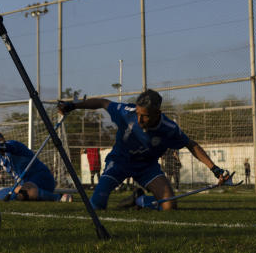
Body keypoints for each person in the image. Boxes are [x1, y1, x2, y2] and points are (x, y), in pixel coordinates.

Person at [56, 89, 230, 211]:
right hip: (119, 161)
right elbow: (103, 102)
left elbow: (191, 145)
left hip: (147, 167)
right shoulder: (126, 112)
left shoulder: (169, 128)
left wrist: (215, 169)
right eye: (138, 114)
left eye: (144, 115)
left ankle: (138, 200)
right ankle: (124, 197)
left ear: (157, 113)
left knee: (169, 206)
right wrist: (73, 105)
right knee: (97, 205)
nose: (139, 119)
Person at [0, 131, 72, 203]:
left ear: (1, 141)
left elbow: (8, 147)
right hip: (24, 186)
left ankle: (58, 197)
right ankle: (27, 194)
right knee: (1, 193)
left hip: (43, 179)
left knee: (26, 189)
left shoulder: (14, 145)